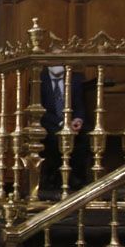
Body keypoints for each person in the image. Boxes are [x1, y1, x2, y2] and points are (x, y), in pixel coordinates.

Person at [39, 65, 89, 198]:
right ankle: (65, 179)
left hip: (71, 122)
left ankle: (77, 178)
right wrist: (62, 123)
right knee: (55, 140)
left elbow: (79, 105)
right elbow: (40, 110)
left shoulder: (75, 79)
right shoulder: (39, 79)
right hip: (50, 123)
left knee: (83, 140)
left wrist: (78, 120)